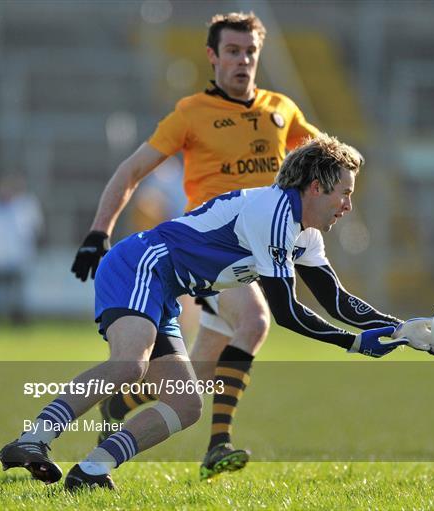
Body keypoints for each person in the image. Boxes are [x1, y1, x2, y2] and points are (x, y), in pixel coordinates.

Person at [1, 134, 428, 491]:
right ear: (316, 187)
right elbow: (287, 313)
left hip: (167, 288)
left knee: (186, 404)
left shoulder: (306, 235)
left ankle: (93, 470)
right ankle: (32, 439)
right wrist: (353, 343)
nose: (349, 205)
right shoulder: (275, 212)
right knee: (130, 365)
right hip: (141, 263)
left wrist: (402, 329)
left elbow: (338, 301)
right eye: (345, 193)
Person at [70, 11, 321, 479]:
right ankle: (219, 443)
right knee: (255, 320)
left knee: (195, 376)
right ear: (213, 56)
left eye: (250, 52)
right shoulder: (191, 113)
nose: (242, 60)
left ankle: (118, 406)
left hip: (255, 258)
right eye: (232, 51)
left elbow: (327, 159)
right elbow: (131, 171)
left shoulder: (281, 110)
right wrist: (98, 232)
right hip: (207, 251)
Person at [0, 174, 43, 323]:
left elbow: (35, 230)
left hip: (18, 257)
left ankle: (17, 318)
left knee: (16, 292)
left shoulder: (24, 207)